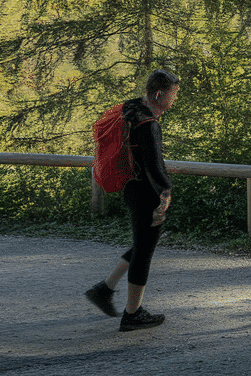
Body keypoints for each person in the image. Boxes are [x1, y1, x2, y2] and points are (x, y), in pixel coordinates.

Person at [84, 68, 180, 331]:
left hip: (130, 186)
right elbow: (154, 165)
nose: (174, 100)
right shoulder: (148, 125)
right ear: (159, 94)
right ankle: (132, 313)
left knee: (142, 243)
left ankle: (104, 290)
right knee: (144, 252)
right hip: (146, 192)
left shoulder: (131, 109)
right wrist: (165, 193)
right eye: (173, 94)